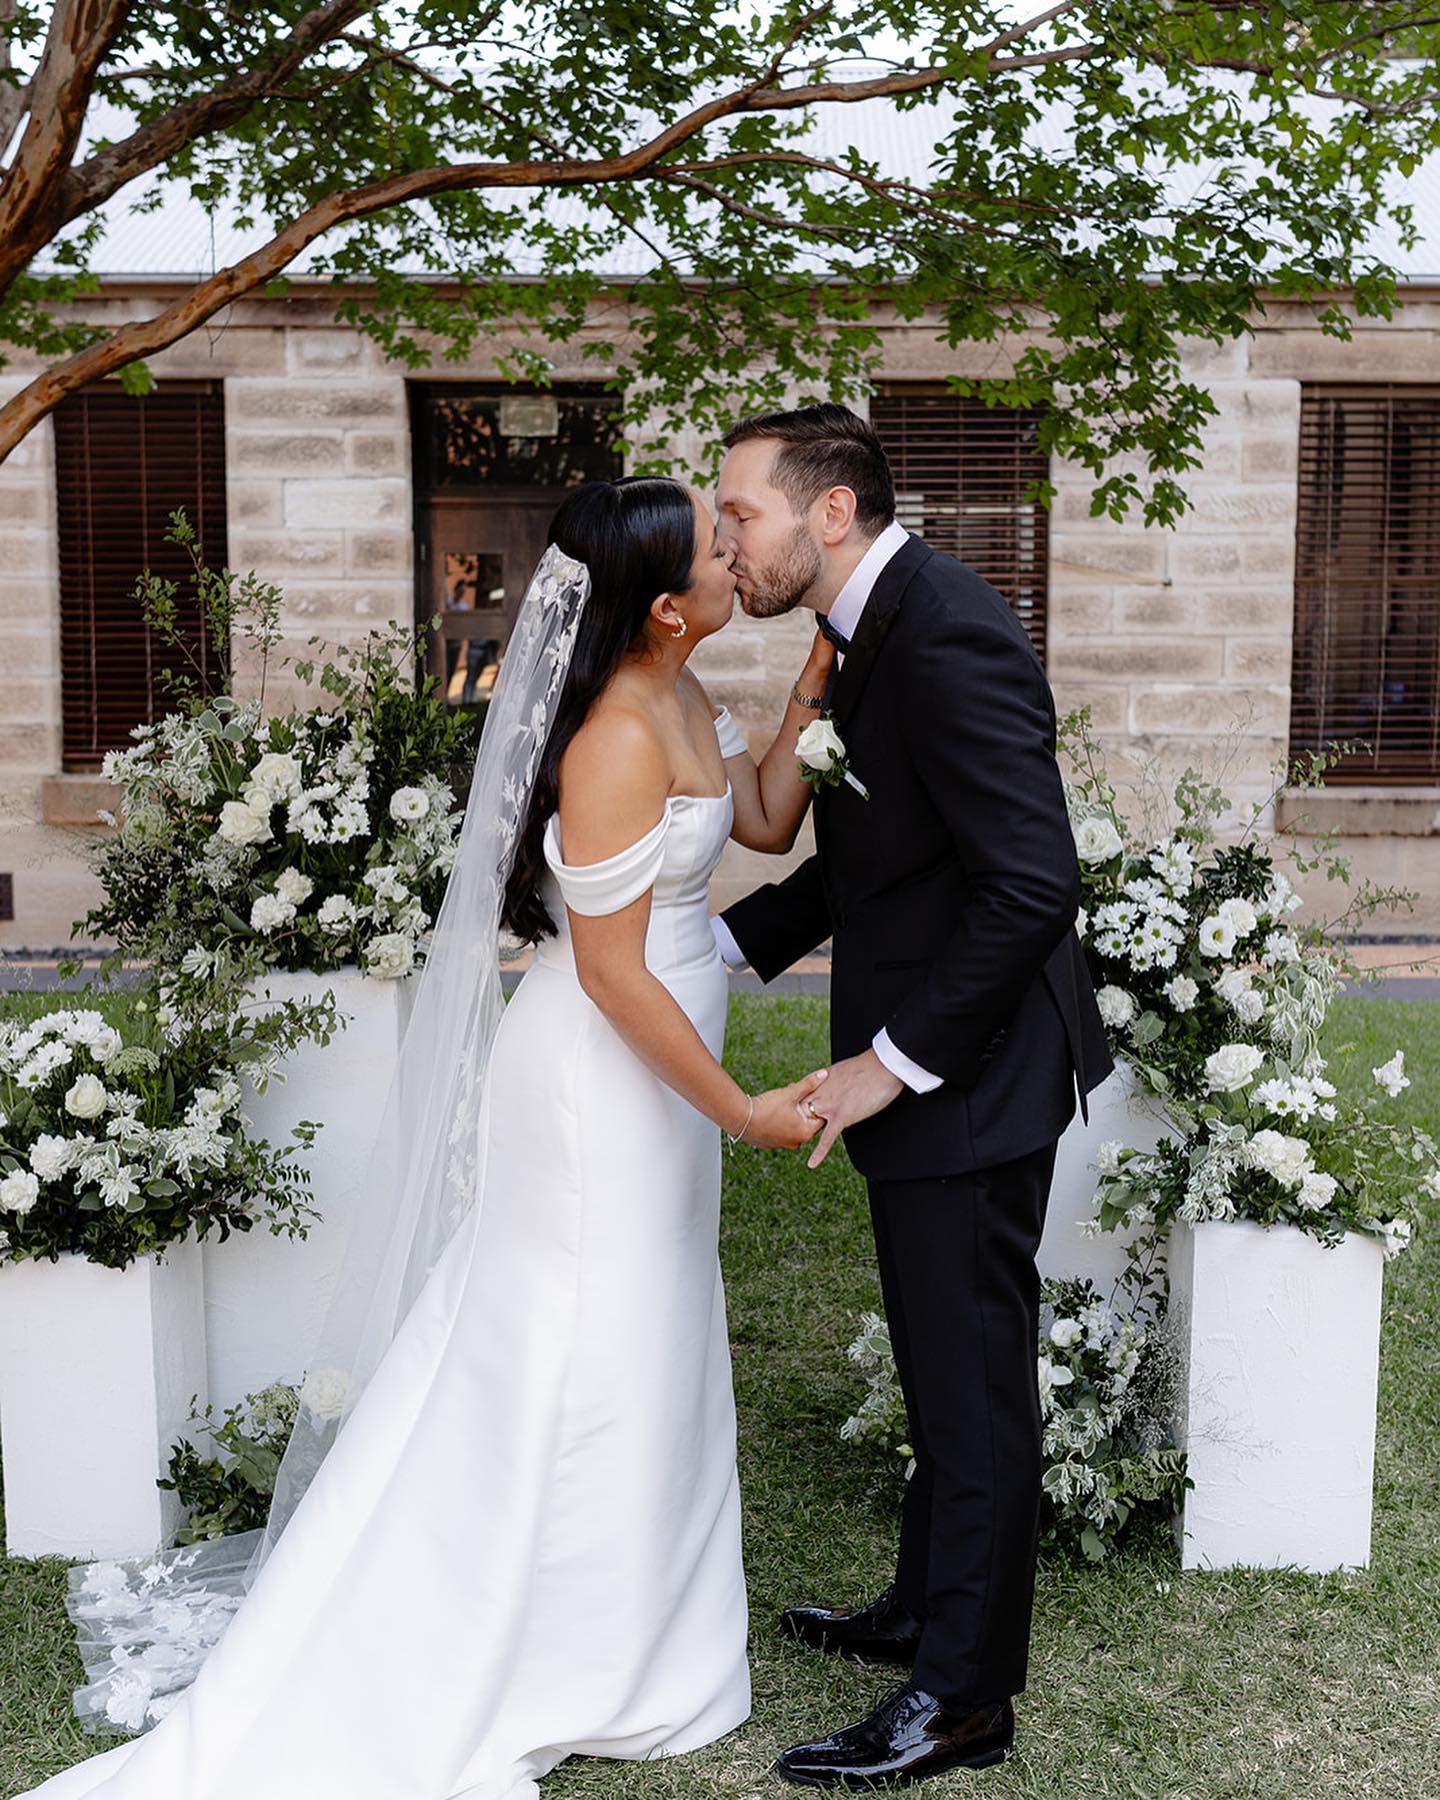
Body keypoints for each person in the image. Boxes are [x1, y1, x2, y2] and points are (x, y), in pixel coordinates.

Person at [19, 475, 836, 1800]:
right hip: (599, 1081)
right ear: (666, 608)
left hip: (659, 1076)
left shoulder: (679, 690)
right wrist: (742, 1111)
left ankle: (632, 1634)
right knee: (575, 1332)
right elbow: (619, 978)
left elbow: (760, 820)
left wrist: (810, 689)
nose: (741, 555)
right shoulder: (615, 740)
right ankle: (534, 1630)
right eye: (715, 546)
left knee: (647, 1328)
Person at [713, 403, 1113, 1786]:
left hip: (971, 1073)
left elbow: (1028, 884)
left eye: (740, 513)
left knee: (973, 1390)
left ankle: (963, 1703)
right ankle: (920, 1610)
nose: (726, 541)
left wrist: (889, 1064)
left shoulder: (943, 629)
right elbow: (895, 853)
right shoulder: (872, 628)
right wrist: (726, 938)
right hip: (942, 1062)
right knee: (944, 1375)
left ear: (831, 512)